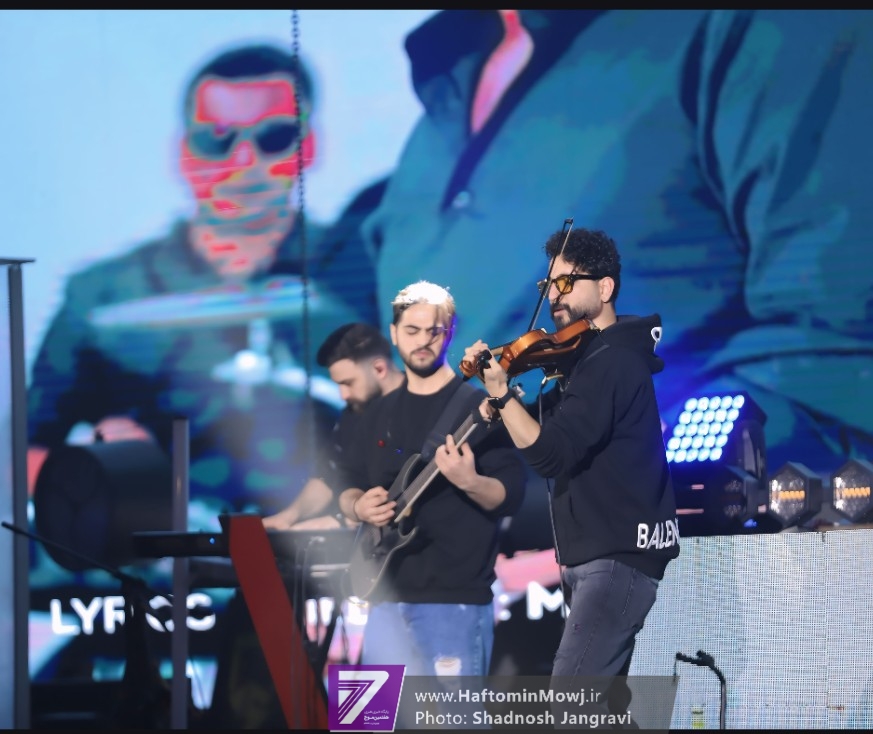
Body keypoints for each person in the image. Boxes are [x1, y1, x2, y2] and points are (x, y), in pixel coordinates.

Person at [364, 9, 873, 479]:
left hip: (715, 562)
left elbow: (865, 358)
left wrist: (621, 501)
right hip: (471, 556)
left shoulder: (788, 26)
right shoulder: (443, 87)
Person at [26, 42, 381, 517]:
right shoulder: (102, 296)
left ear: (309, 146)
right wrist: (92, 475)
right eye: (217, 138)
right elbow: (25, 451)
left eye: (274, 137)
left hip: (342, 545)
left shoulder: (367, 272)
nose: (244, 161)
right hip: (166, 552)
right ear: (182, 152)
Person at [462, 226, 680, 725]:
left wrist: (502, 395)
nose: (553, 297)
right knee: (602, 712)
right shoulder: (584, 362)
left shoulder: (613, 361)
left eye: (565, 283)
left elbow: (551, 455)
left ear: (605, 288)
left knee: (570, 704)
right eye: (548, 286)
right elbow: (548, 435)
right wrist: (502, 406)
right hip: (593, 556)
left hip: (616, 556)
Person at [336, 280, 527, 681]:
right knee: (367, 717)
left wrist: (469, 481)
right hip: (381, 600)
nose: (423, 341)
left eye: (434, 331)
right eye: (412, 330)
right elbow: (347, 483)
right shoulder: (376, 413)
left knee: (453, 716)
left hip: (454, 603)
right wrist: (357, 504)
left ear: (450, 333)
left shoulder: (477, 407)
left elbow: (510, 495)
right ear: (393, 333)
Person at [262, 322, 405, 531]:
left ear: (379, 368)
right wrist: (288, 517)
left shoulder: (419, 403)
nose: (342, 395)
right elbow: (330, 475)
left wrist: (337, 521)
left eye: (348, 383)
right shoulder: (353, 415)